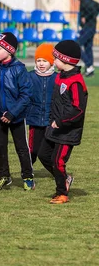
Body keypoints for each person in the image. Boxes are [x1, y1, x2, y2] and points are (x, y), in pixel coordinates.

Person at [37, 40, 87, 204]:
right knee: (43, 155)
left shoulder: (76, 82)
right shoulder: (60, 77)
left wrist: (61, 121)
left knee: (57, 161)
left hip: (67, 130)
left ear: (66, 60)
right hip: (54, 126)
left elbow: (78, 109)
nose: (53, 61)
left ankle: (62, 193)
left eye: (55, 58)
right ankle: (65, 178)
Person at [0, 32, 34, 192]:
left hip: (16, 116)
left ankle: (28, 176)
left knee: (21, 147)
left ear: (10, 50)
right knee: (0, 146)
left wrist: (12, 113)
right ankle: (4, 176)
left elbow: (26, 95)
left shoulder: (19, 69)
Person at [26, 43, 56, 165]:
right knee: (32, 151)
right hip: (34, 120)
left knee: (48, 152)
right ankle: (28, 176)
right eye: (38, 60)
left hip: (51, 121)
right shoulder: (30, 76)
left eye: (45, 60)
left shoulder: (57, 78)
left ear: (52, 61)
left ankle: (61, 176)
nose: (41, 63)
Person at [73, 0, 99, 77]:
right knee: (88, 47)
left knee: (76, 45)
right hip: (91, 27)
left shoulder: (84, 0)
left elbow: (93, 10)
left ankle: (88, 65)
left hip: (88, 28)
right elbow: (96, 8)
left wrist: (85, 18)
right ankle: (90, 70)